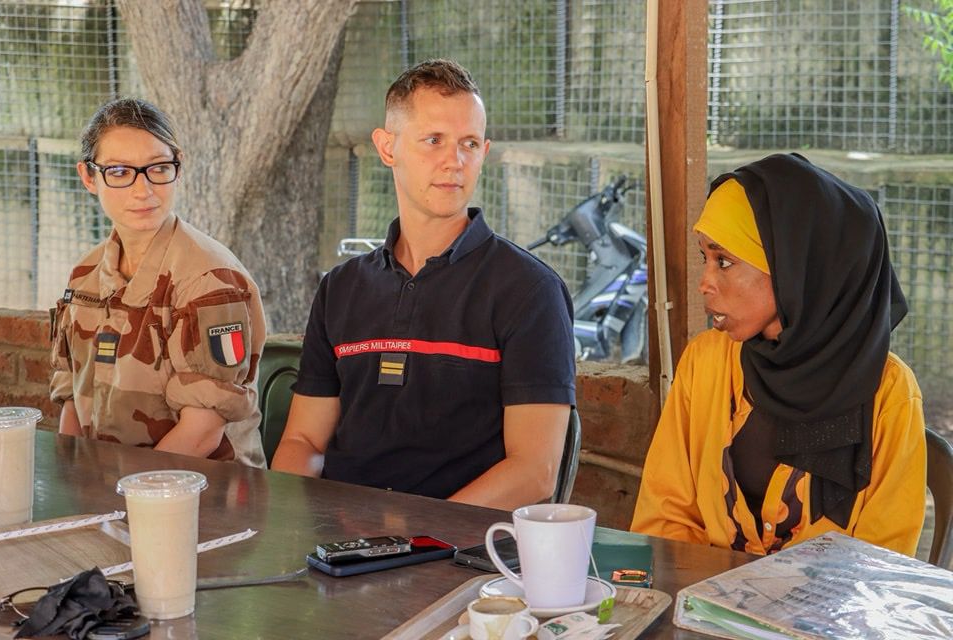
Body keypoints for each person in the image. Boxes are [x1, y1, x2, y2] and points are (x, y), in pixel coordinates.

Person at [271, 59, 576, 509]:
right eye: (434, 140)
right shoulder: (341, 287)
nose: (454, 161)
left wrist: (415, 538)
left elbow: (535, 473)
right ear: (387, 146)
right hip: (340, 547)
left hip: (461, 555)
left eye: (469, 144)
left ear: (484, 153)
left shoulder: (530, 290)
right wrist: (309, 524)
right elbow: (302, 441)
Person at [631, 153, 925, 556]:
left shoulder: (888, 391)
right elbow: (663, 518)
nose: (705, 283)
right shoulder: (706, 362)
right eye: (706, 258)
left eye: (725, 261)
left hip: (827, 615)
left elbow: (883, 560)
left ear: (795, 267)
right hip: (699, 607)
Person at [49, 98, 267, 467]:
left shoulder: (207, 279)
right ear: (89, 177)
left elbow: (200, 434)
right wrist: (76, 484)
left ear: (177, 167)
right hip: (106, 493)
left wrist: (117, 501)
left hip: (205, 497)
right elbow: (73, 401)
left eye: (158, 168)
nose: (143, 190)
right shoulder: (84, 276)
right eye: (119, 171)